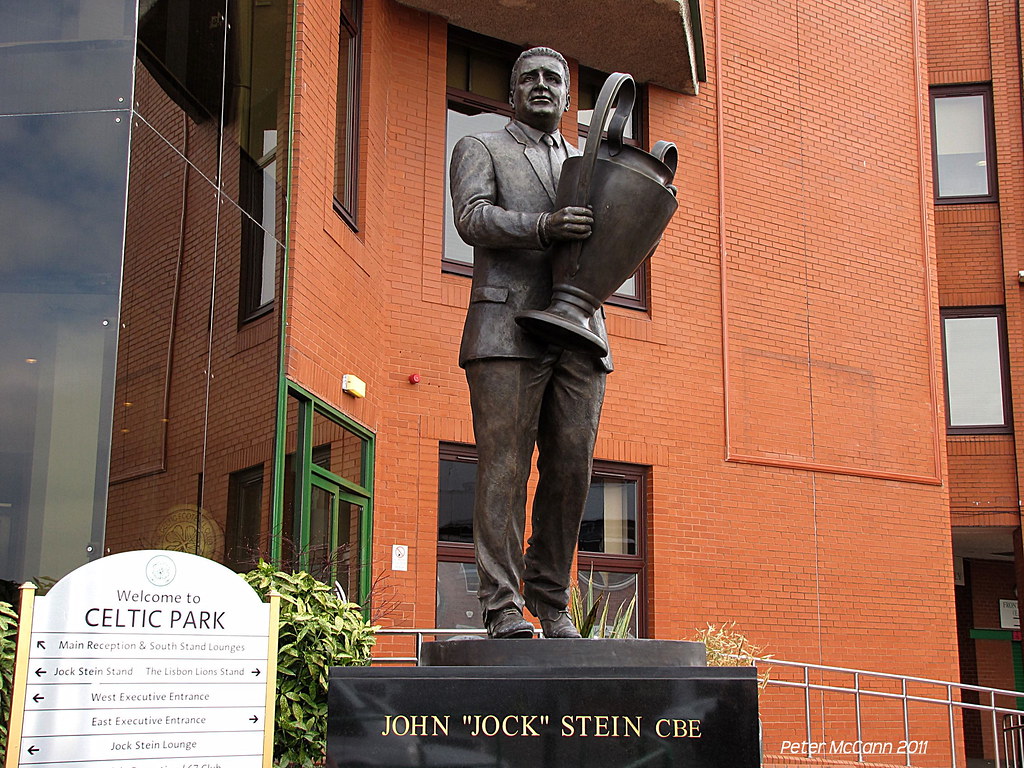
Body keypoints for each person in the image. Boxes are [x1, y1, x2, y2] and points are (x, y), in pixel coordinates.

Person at [449, 47, 612, 639]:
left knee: (572, 470)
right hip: (508, 328)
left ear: (568, 97)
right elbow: (472, 218)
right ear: (512, 92)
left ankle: (551, 600)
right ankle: (501, 605)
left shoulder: (588, 163)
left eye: (553, 79)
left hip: (580, 332)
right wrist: (544, 226)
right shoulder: (481, 145)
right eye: (529, 78)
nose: (542, 85)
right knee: (504, 470)